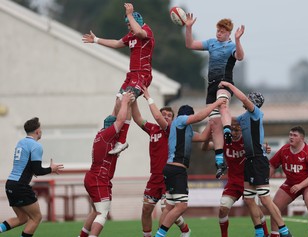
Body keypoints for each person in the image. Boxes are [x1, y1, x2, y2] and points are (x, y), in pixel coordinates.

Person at [218, 81, 293, 237]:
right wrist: (221, 104)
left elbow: (244, 100)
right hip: (249, 161)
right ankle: (259, 232)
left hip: (258, 160)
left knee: (265, 200)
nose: (248, 101)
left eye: (250, 99)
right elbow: (227, 119)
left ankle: (284, 230)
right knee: (250, 199)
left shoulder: (256, 113)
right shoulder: (242, 118)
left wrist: (229, 86)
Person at [82, 3, 154, 155]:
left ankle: (122, 141)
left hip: (142, 75)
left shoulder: (145, 31)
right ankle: (111, 136)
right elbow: (116, 43)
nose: (128, 27)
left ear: (136, 21)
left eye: (129, 24)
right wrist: (96, 40)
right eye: (127, 25)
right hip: (131, 75)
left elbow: (140, 32)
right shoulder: (132, 35)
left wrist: (129, 14)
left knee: (125, 100)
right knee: (118, 104)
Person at [185, 13, 245, 179]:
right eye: (217, 30)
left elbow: (240, 57)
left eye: (222, 31)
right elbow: (189, 45)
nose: (218, 33)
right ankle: (220, 160)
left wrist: (238, 40)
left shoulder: (231, 46)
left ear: (228, 33)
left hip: (225, 82)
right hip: (211, 86)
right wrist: (188, 27)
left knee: (223, 104)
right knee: (213, 123)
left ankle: (228, 130)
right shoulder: (211, 43)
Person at [155, 99, 225, 237]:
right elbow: (198, 117)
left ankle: (161, 234)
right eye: (190, 118)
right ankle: (159, 235)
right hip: (176, 170)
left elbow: (204, 137)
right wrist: (215, 104)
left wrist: (213, 120)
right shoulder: (180, 120)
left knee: (169, 207)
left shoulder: (186, 130)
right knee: (181, 206)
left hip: (171, 169)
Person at [131, 87, 190, 237]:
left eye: (169, 115)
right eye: (163, 114)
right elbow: (138, 118)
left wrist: (148, 97)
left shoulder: (171, 129)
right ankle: (149, 235)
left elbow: (157, 117)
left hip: (168, 176)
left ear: (173, 119)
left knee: (166, 209)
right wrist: (133, 101)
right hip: (154, 177)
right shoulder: (153, 129)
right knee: (146, 209)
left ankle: (176, 231)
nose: (165, 117)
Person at [201, 119, 271, 237]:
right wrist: (208, 136)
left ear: (242, 130)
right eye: (232, 129)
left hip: (247, 180)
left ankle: (265, 233)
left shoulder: (247, 141)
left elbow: (261, 147)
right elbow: (204, 148)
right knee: (223, 209)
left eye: (237, 130)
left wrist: (266, 148)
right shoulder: (223, 140)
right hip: (233, 182)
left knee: (254, 209)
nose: (234, 132)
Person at [78, 92, 133, 237]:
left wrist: (119, 100)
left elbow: (116, 116)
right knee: (102, 213)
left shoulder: (102, 134)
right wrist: (126, 102)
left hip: (93, 177)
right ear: (111, 128)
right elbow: (120, 120)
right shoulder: (107, 136)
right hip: (99, 179)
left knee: (96, 211)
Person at [1, 117, 64, 237]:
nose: (41, 131)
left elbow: (24, 164)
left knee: (22, 218)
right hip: (20, 186)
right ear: (37, 131)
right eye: (40, 129)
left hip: (10, 184)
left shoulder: (20, 142)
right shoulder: (36, 145)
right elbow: (38, 170)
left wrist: (31, 170)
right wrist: (52, 169)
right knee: (36, 217)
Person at [269, 126, 308, 237]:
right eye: (290, 135)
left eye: (294, 135)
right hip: (291, 183)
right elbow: (272, 165)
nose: (291, 137)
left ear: (302, 138)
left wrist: (300, 185)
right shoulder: (284, 150)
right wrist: (264, 181)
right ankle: (274, 234)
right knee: (274, 207)